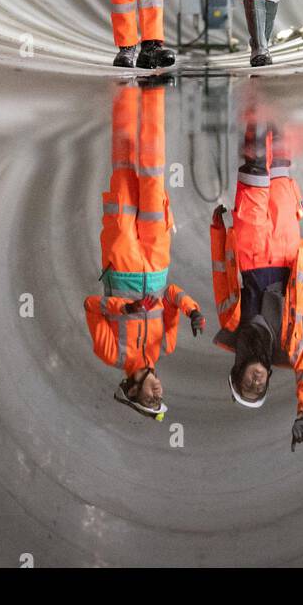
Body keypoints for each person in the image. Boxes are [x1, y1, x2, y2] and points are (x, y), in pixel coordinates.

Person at [84, 80, 204, 419]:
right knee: (152, 175)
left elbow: (92, 306)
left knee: (123, 169)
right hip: (155, 262)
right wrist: (192, 310)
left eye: (150, 399)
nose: (159, 393)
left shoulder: (111, 353)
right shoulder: (164, 345)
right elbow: (171, 296)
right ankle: (153, 94)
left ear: (131, 390)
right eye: (159, 399)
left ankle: (124, 92)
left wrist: (125, 308)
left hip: (120, 261)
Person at [210, 116, 303, 451]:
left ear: (238, 371)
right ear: (268, 381)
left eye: (247, 384)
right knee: (282, 170)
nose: (255, 381)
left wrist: (218, 232)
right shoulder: (288, 344)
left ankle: (258, 99)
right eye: (259, 388)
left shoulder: (231, 324)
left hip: (252, 249)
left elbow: (220, 272)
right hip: (287, 249)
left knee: (256, 169)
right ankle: (283, 101)